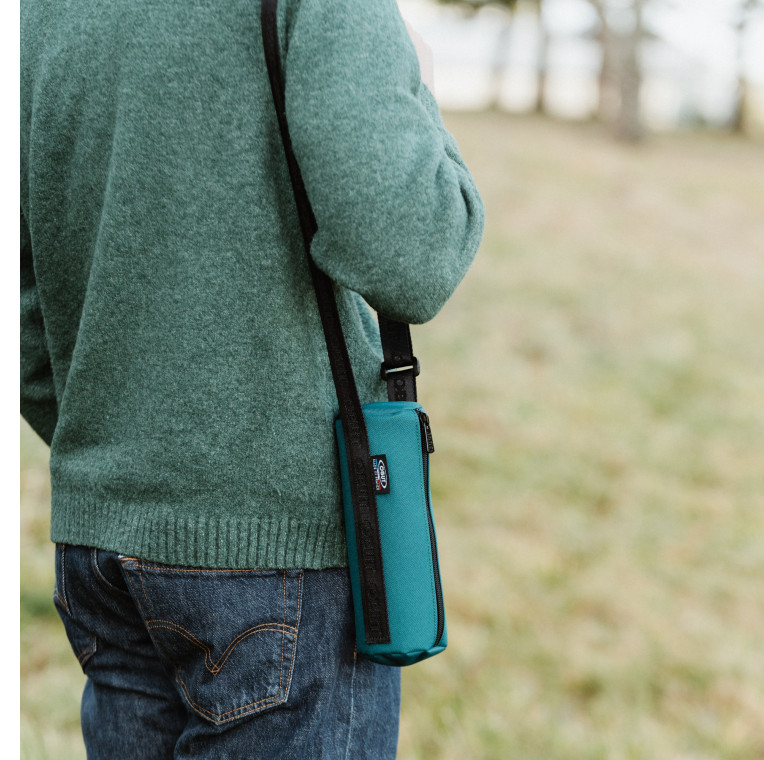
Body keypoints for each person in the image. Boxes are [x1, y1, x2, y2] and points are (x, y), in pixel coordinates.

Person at [20, 0, 484, 756]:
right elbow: (413, 258)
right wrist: (417, 89)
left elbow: (22, 305)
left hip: (100, 542)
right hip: (280, 557)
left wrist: (107, 440)